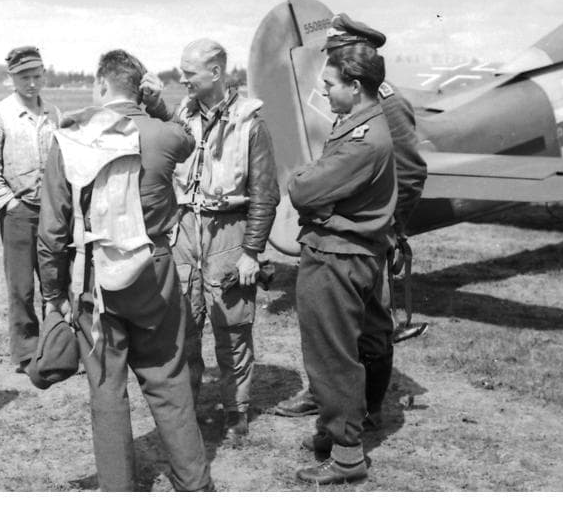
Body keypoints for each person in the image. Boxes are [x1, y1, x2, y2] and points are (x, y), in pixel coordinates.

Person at [37, 49, 213, 492]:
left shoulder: (68, 139)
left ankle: (117, 491)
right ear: (140, 88)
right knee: (168, 377)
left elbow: (53, 229)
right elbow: (188, 137)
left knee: (106, 386)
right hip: (154, 268)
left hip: (96, 276)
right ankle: (195, 484)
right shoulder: (164, 135)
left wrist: (54, 290)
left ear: (100, 85)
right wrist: (157, 104)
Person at [274, 14, 428, 428]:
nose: (328, 57)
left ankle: (368, 408)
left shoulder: (388, 104)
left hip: (368, 233)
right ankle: (326, 397)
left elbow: (411, 170)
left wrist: (392, 226)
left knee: (370, 324)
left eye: (335, 50)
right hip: (350, 224)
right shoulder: (351, 100)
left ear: (356, 52)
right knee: (335, 325)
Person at [141, 39, 279, 440]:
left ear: (216, 73)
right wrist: (155, 105)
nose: (182, 78)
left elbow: (265, 194)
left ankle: (236, 413)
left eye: (190, 73)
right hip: (185, 231)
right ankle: (186, 414)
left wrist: (251, 252)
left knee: (232, 328)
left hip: (230, 234)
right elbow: (182, 137)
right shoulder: (185, 112)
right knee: (182, 324)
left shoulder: (252, 124)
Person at [287, 41, 397, 484]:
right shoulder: (359, 125)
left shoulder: (362, 142)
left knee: (331, 357)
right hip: (350, 254)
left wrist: (310, 193)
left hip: (337, 258)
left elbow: (302, 190)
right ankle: (336, 434)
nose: (325, 92)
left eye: (330, 85)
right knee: (343, 350)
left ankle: (348, 455)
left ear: (355, 86)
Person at [0, 46, 60, 373]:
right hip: (18, 212)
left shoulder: (54, 113)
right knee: (22, 286)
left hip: (53, 213)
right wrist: (8, 203)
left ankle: (56, 347)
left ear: (44, 75)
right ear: (12, 78)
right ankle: (27, 353)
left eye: (37, 76)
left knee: (55, 280)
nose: (32, 83)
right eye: (24, 77)